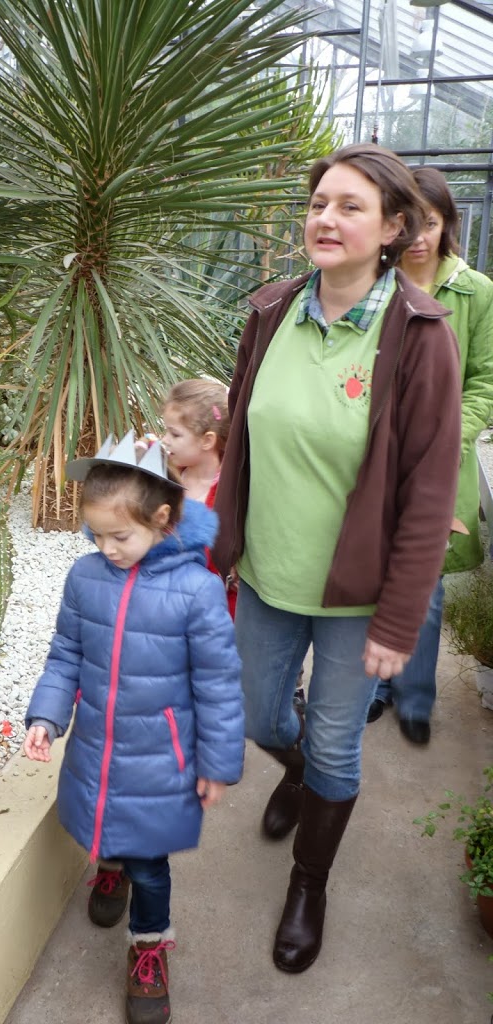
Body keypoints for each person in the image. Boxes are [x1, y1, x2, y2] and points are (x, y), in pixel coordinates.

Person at [211, 143, 462, 974]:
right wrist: (222, 541)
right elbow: (241, 437)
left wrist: (399, 620)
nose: (326, 217)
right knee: (258, 718)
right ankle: (299, 775)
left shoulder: (421, 337)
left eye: (351, 206)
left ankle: (308, 883)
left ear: (392, 229)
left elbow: (429, 492)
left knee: (336, 742)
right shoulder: (271, 312)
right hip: (268, 576)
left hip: (359, 596)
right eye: (319, 202)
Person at [24, 430, 244, 1024]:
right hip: (98, 748)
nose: (107, 547)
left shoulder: (197, 590)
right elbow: (66, 654)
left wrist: (218, 763)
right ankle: (109, 865)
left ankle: (149, 947)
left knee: (151, 865)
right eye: (96, 534)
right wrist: (47, 715)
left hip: (161, 760)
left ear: (162, 520)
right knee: (103, 828)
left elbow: (219, 684)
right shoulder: (85, 577)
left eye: (120, 536)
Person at [368, 166, 493, 744]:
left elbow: (485, 381)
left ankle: (414, 697)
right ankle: (373, 686)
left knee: (425, 580)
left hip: (439, 460)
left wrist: (445, 437)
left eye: (432, 222)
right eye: (407, 221)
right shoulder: (372, 285)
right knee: (369, 568)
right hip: (373, 454)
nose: (418, 235)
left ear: (448, 226)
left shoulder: (476, 292)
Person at [160, 378, 237, 616]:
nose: (165, 439)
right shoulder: (163, 479)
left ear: (207, 440)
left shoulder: (232, 492)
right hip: (164, 601)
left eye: (174, 434)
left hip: (211, 608)